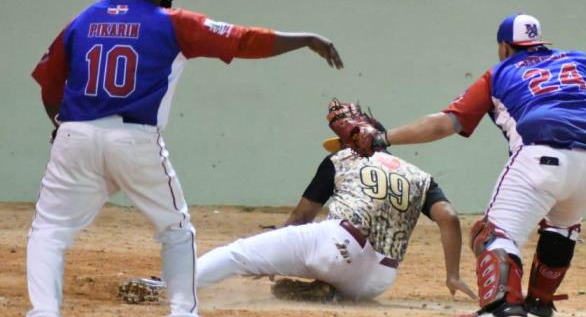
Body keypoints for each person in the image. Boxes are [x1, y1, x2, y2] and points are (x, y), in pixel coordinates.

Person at [19, 0, 344, 317]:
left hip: (74, 135)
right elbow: (242, 40)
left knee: (49, 231)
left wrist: (61, 126)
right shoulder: (171, 21)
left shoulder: (84, 18)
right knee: (176, 231)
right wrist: (306, 38)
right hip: (135, 139)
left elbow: (49, 86)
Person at [342, 13, 586, 317]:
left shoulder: (499, 73)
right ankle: (539, 302)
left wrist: (383, 138)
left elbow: (446, 123)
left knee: (493, 235)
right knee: (562, 226)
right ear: (540, 43)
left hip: (542, 154)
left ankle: (502, 306)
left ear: (505, 47)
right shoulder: (576, 60)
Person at [119, 105, 475, 305]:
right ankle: (331, 288)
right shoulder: (419, 175)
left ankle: (171, 287)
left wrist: (272, 256)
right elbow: (448, 217)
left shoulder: (345, 159)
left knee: (239, 254)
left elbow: (302, 217)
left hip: (337, 246)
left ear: (358, 139)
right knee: (333, 263)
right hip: (379, 279)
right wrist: (452, 274)